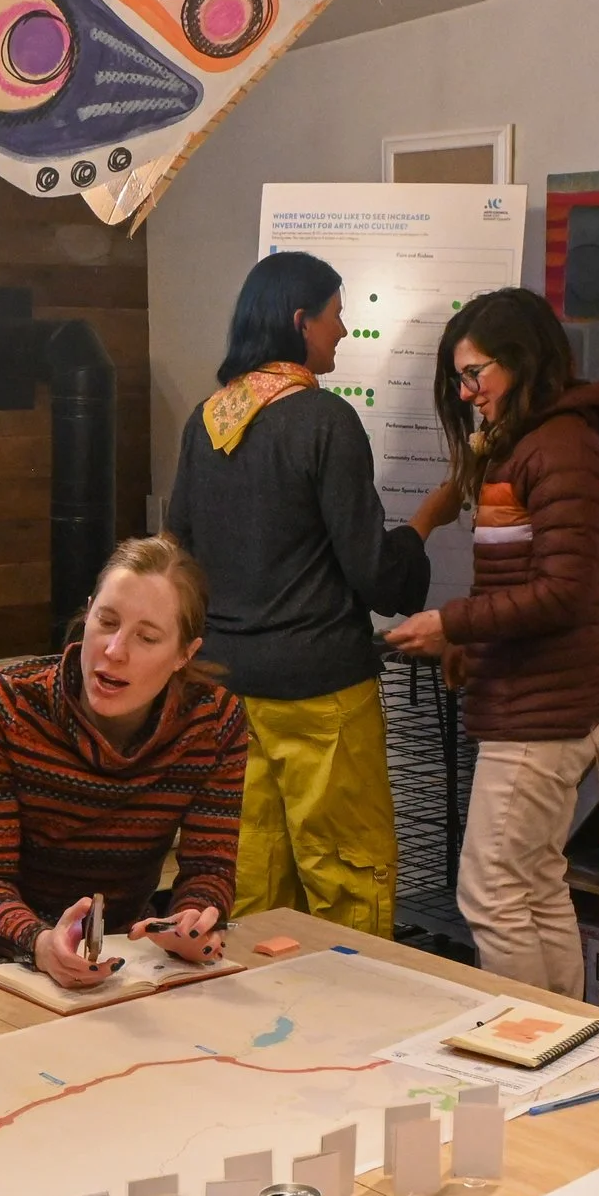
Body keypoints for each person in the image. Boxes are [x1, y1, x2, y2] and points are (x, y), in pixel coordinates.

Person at [168, 251, 456, 938]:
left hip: (226, 694)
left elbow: (176, 557)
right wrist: (427, 520)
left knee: (251, 882)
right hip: (322, 694)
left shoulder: (204, 422)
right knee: (348, 881)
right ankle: (353, 1033)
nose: (345, 330)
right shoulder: (325, 421)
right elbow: (374, 574)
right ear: (300, 321)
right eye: (335, 314)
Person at [384, 288, 599, 996]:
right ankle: (566, 1050)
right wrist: (470, 644)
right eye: (458, 379)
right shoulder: (533, 444)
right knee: (533, 880)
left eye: (475, 375)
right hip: (529, 694)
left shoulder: (561, 447)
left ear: (522, 363)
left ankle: (529, 1049)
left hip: (546, 707)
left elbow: (567, 590)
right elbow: (526, 581)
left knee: (490, 890)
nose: (467, 395)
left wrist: (453, 623)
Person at [0, 537, 247, 990]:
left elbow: (210, 869)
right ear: (87, 614)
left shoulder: (214, 722)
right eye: (106, 621)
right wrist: (40, 942)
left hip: (118, 948)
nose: (114, 650)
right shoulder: (3, 708)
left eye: (147, 637)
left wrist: (191, 922)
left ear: (184, 654)